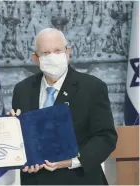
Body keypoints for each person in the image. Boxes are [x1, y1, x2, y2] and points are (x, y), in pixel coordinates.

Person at [11, 28, 118, 185]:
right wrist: (12, 128)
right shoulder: (22, 89)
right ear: (35, 58)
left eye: (57, 50)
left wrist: (71, 161)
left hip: (79, 179)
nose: (52, 57)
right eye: (46, 53)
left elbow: (106, 137)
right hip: (35, 180)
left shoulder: (92, 87)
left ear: (68, 52)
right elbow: (22, 141)